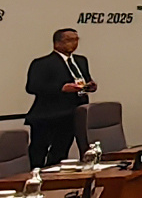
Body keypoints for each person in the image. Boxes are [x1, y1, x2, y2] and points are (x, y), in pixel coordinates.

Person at [24, 28, 96, 168]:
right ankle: (35, 174)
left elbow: (83, 79)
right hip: (48, 115)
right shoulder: (42, 63)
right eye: (69, 40)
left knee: (61, 150)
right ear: (57, 43)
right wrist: (61, 88)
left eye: (76, 39)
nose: (74, 43)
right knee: (39, 150)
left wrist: (89, 86)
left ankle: (55, 174)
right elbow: (32, 87)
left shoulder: (81, 61)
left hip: (73, 114)